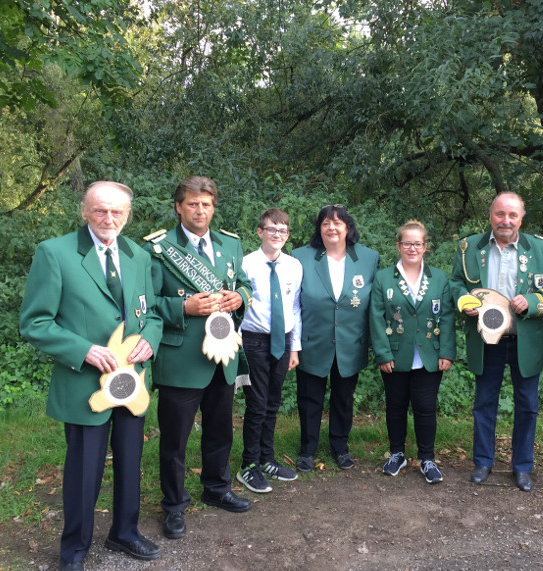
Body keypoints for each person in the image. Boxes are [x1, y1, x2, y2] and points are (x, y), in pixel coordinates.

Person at [19, 181, 163, 571]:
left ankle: (124, 532)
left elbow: (150, 313)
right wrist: (83, 349)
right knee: (84, 471)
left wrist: (150, 339)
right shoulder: (55, 252)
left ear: (128, 215)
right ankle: (73, 552)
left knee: (130, 459)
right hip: (85, 386)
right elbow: (35, 322)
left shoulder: (136, 254)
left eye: (117, 212)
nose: (109, 219)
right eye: (100, 211)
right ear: (84, 211)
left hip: (131, 383)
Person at [147, 176, 253, 540]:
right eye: (192, 204)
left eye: (206, 204)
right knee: (175, 440)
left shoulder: (230, 245)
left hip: (223, 357)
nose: (200, 210)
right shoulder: (158, 249)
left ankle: (217, 488)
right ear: (178, 207)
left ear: (213, 207)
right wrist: (182, 306)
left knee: (221, 429)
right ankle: (174, 505)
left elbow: (244, 284)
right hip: (181, 360)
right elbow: (145, 302)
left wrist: (240, 296)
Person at [450, 192, 543, 492]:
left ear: (521, 218)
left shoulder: (541, 249)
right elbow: (456, 283)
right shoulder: (469, 247)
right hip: (486, 339)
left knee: (527, 405)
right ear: (491, 216)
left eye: (512, 215)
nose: (506, 221)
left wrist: (531, 301)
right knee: (484, 403)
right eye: (500, 214)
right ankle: (483, 462)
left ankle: (522, 466)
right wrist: (464, 301)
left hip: (524, 338)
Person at [292, 204, 379, 471]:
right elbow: (293, 302)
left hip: (350, 342)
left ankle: (340, 446)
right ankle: (307, 449)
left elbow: (374, 303)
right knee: (309, 398)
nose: (332, 227)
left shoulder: (368, 258)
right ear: (319, 229)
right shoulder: (300, 257)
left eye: (338, 222)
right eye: (326, 223)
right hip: (313, 340)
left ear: (348, 227)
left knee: (343, 397)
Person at [370, 221, 456, 483]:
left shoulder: (439, 277)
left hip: (429, 354)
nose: (412, 248)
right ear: (398, 245)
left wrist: (447, 352)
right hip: (395, 355)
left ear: (425, 247)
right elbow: (376, 316)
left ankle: (427, 458)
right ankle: (397, 454)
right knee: (395, 407)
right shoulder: (384, 277)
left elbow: (448, 316)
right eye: (406, 243)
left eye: (417, 243)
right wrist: (383, 354)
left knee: (426, 408)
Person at [236, 208, 302, 493]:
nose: (278, 235)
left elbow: (295, 308)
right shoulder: (246, 264)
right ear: (260, 232)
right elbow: (236, 307)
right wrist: (236, 345)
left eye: (283, 231)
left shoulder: (293, 265)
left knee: (273, 402)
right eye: (272, 229)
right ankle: (248, 465)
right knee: (257, 403)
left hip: (283, 339)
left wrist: (295, 347)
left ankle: (267, 459)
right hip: (253, 340)